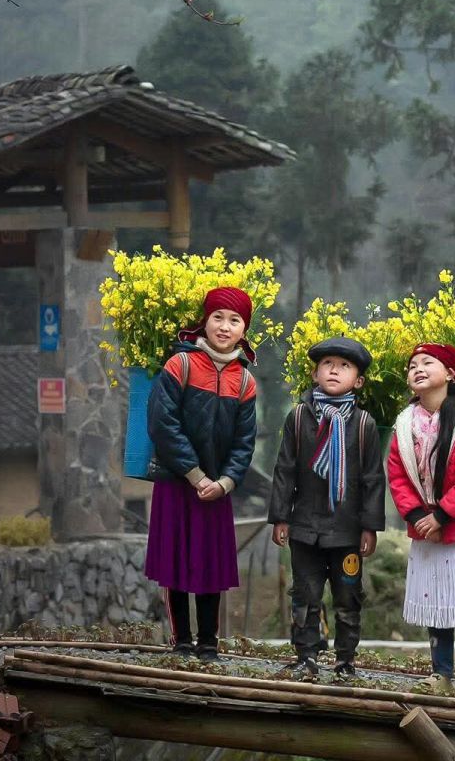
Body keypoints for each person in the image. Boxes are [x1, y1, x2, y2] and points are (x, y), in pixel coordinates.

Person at [145, 285, 258, 661]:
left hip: (217, 489)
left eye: (235, 320)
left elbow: (245, 442)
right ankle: (181, 642)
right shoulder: (181, 365)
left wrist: (225, 482)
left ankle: (209, 643)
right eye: (218, 317)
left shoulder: (245, 381)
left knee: (210, 564)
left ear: (245, 329)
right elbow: (163, 424)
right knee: (176, 562)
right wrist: (195, 475)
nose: (225, 327)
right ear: (204, 322)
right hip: (180, 482)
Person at [268, 335, 386, 683]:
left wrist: (370, 527)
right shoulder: (299, 417)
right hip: (305, 526)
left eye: (344, 366)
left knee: (348, 596)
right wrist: (280, 517)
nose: (334, 370)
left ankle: (346, 660)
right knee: (305, 593)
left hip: (347, 529)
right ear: (316, 374)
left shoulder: (363, 424)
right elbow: (284, 469)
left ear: (358, 380)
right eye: (327, 365)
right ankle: (306, 656)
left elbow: (373, 479)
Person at [386, 342, 455, 699]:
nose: (417, 368)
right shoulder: (404, 425)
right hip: (427, 529)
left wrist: (442, 514)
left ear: (451, 373)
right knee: (435, 600)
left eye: (427, 362)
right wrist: (419, 515)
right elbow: (397, 475)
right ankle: (440, 673)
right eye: (412, 365)